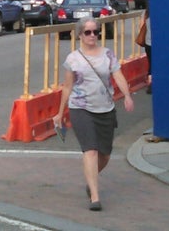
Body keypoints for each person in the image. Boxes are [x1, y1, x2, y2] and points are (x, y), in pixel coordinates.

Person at [52, 16, 134, 211]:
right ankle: (95, 196)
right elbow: (67, 87)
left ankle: (91, 179)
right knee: (91, 150)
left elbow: (118, 75)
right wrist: (60, 112)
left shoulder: (108, 55)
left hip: (105, 108)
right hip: (80, 108)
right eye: (87, 32)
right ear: (80, 35)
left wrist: (128, 96)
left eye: (95, 31)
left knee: (104, 154)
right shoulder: (73, 59)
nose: (92, 35)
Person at [143, 5, 152, 94]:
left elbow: (141, 25)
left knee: (151, 64)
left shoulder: (146, 14)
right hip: (159, 44)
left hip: (148, 42)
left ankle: (150, 84)